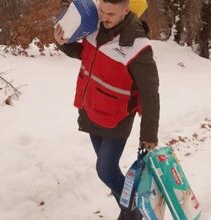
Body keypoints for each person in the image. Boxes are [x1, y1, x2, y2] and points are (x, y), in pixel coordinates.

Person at [54, 0, 159, 219]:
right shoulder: (95, 27)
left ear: (126, 10)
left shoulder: (137, 46)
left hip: (117, 119)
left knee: (105, 170)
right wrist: (63, 43)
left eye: (111, 13)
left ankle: (135, 211)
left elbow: (150, 94)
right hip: (92, 111)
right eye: (102, 10)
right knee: (108, 172)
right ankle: (128, 211)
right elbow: (85, 54)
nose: (104, 17)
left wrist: (148, 135)